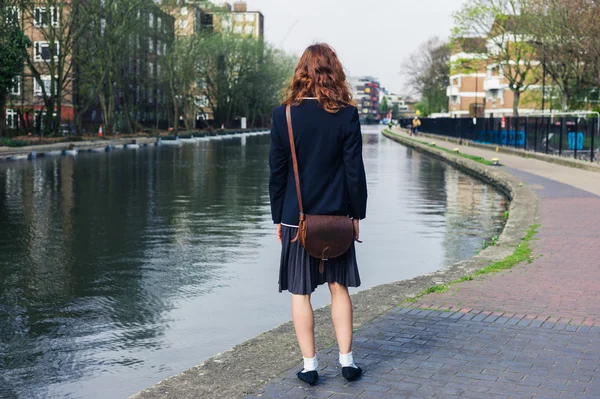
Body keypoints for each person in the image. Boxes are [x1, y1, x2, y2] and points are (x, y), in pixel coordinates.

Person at [269, 43, 368, 386]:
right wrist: (357, 215)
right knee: (339, 288)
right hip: (337, 216)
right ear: (333, 72)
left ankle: (310, 367)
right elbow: (354, 171)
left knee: (301, 293)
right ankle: (347, 362)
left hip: (295, 218)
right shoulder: (347, 114)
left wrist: (277, 218)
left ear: (301, 73)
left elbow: (277, 172)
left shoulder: (283, 115)